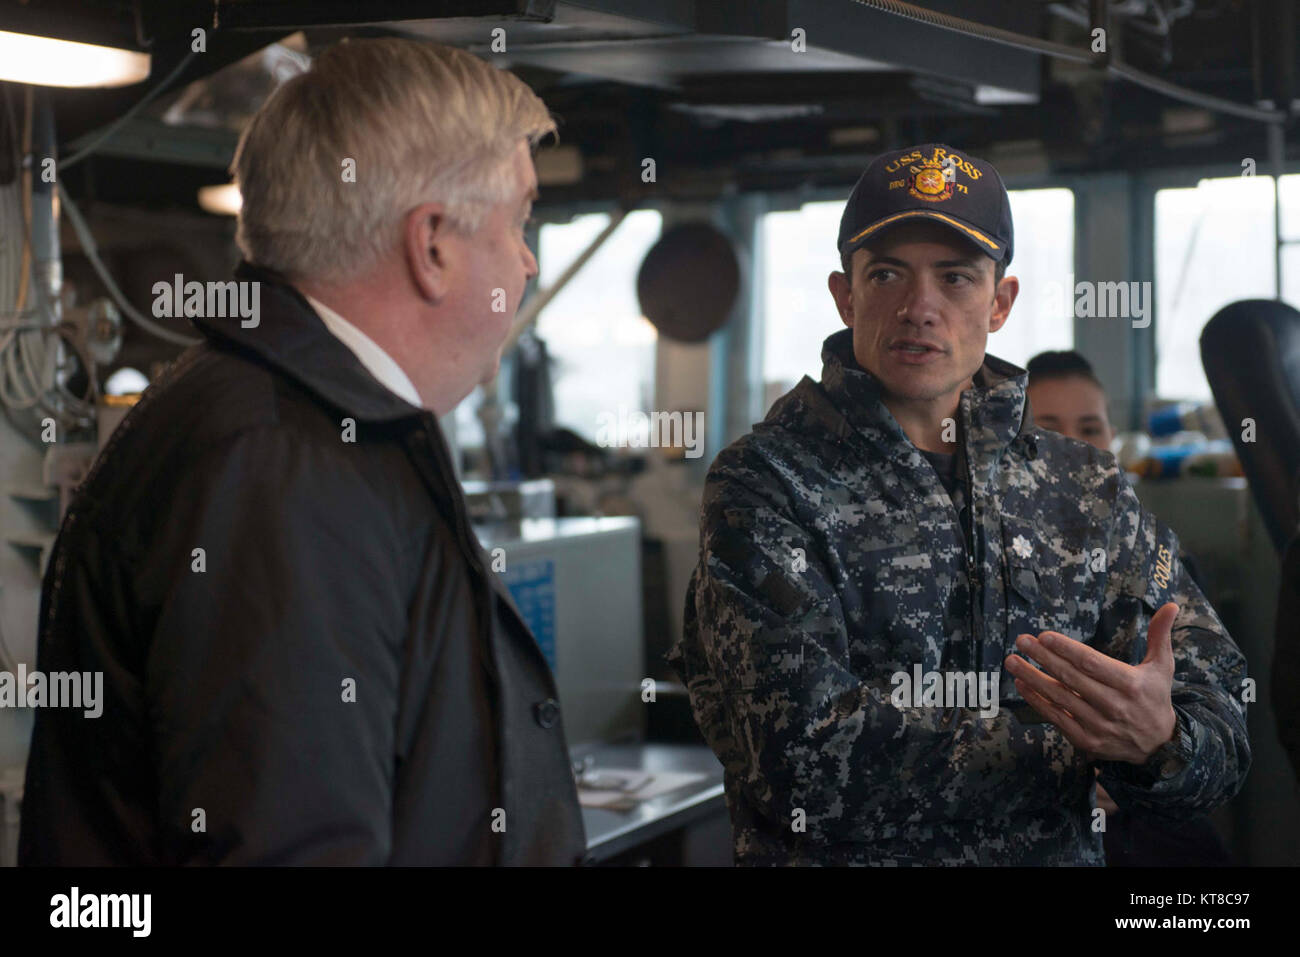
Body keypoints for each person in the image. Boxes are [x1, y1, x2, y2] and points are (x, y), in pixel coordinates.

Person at [19, 38, 586, 865]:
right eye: (520, 219)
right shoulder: (282, 464)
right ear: (431, 244)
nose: (529, 262)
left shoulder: (306, 423)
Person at [667, 143, 1251, 866]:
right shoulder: (768, 483)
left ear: (999, 302)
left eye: (955, 277)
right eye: (887, 274)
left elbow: (1224, 719)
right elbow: (805, 762)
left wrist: (1161, 743)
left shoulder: (1086, 491)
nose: (920, 308)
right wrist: (1088, 740)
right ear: (845, 296)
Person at [1026, 349, 1233, 865]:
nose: (1074, 447)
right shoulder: (970, 564)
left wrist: (1150, 750)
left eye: (1091, 427)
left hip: (1143, 818)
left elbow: (1219, 725)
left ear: (1113, 443)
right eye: (1048, 428)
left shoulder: (1161, 561)